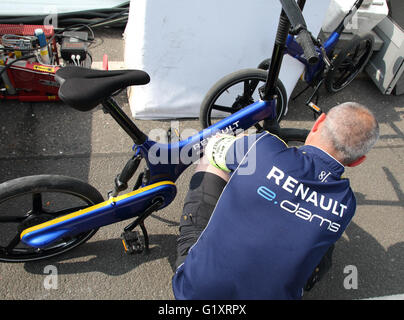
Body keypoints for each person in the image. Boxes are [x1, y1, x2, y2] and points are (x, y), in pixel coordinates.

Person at [172, 102, 379, 300]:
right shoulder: (346, 204)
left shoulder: (261, 146)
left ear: (318, 122)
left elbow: (213, 148)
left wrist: (243, 146)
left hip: (193, 292)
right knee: (323, 243)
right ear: (358, 161)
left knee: (212, 161)